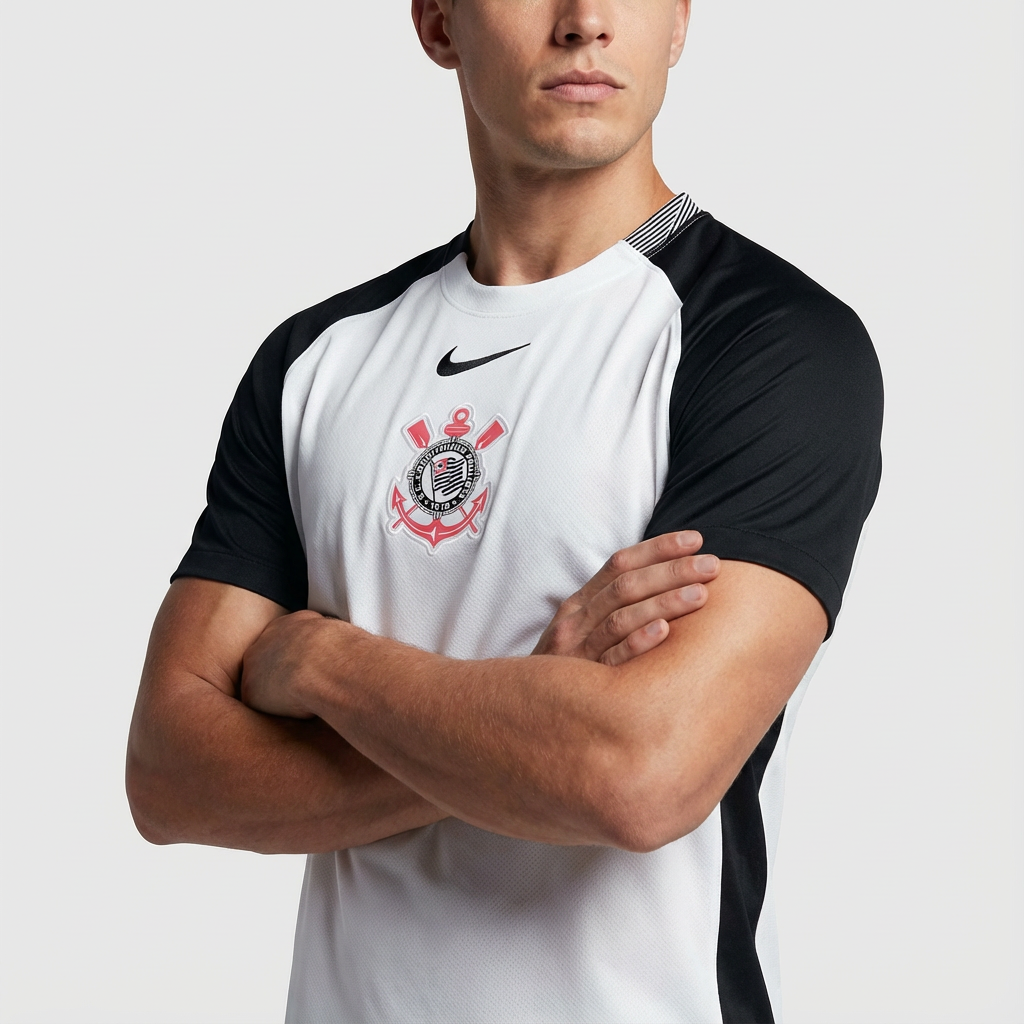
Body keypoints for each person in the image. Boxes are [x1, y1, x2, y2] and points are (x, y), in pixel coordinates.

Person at [126, 0, 883, 1020]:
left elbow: (640, 776)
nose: (585, 21)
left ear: (679, 22)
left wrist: (321, 661)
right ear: (439, 23)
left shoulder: (769, 344)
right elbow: (168, 773)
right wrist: (527, 715)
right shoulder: (318, 360)